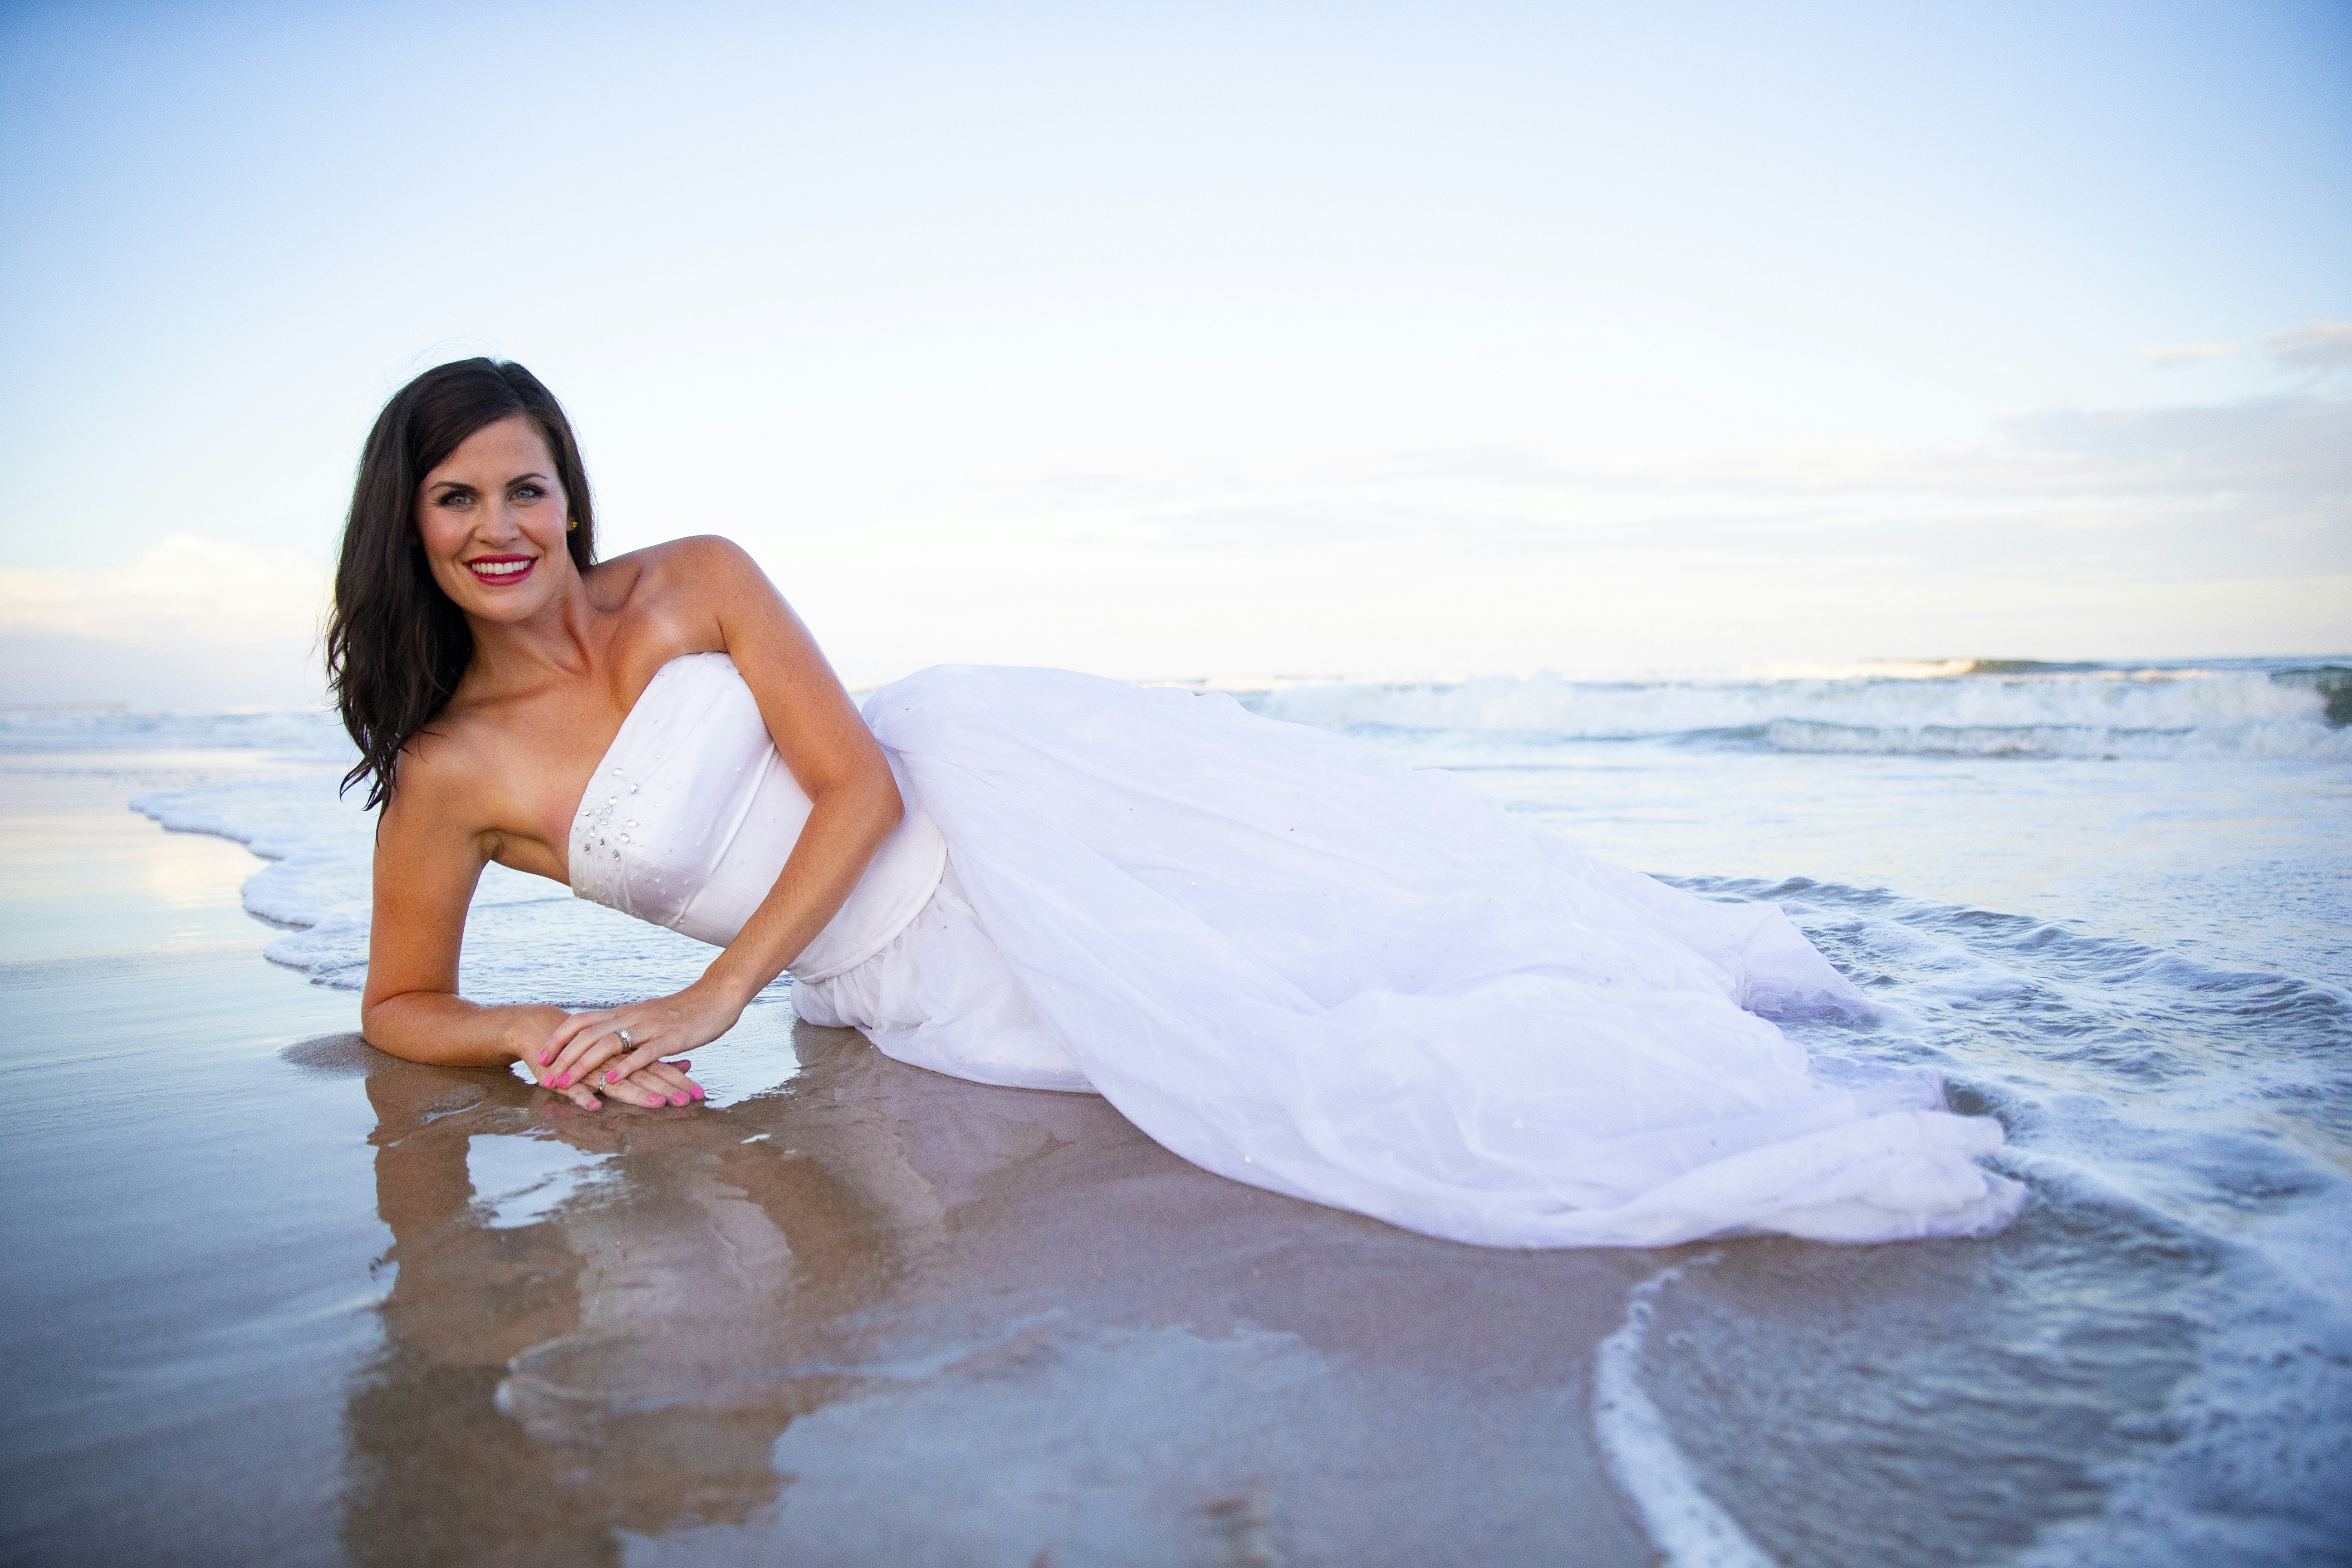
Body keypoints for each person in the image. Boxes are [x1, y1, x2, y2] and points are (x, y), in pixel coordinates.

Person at [333, 357, 2025, 1250]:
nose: (503, 525)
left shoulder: (693, 578)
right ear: (409, 529)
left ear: (571, 491)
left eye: (528, 486)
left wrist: (710, 996)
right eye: (458, 498)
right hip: (901, 976)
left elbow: (850, 787)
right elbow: (399, 1005)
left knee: (1346, 941)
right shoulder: (453, 776)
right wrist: (556, 1027)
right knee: (1236, 1079)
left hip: (995, 797)